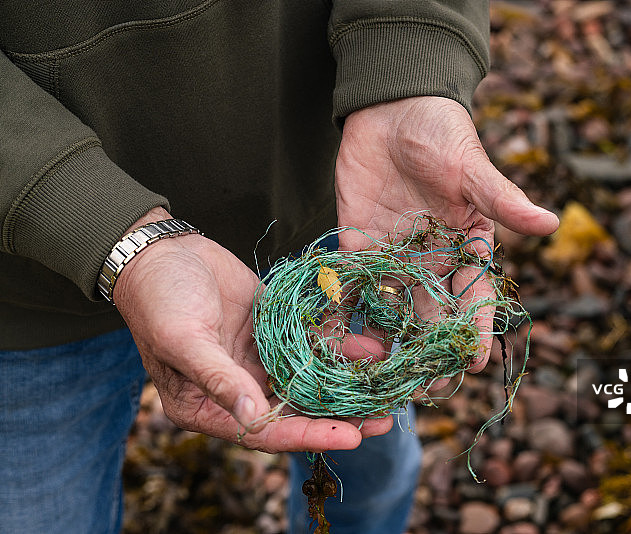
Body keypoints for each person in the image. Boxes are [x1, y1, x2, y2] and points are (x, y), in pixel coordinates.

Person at [0, 1, 559, 533]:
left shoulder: (361, 239)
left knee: (372, 468)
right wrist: (89, 218)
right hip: (26, 298)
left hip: (335, 225)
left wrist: (408, 66)